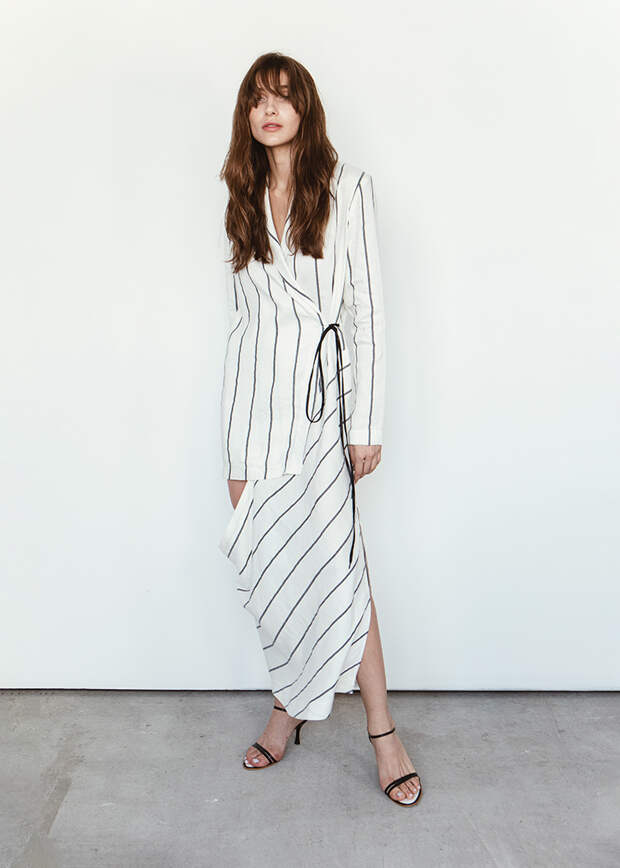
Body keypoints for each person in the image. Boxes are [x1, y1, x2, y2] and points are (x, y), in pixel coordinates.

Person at [217, 52, 421, 806]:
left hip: (320, 408)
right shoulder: (242, 192)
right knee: (270, 565)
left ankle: (382, 731)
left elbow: (367, 313)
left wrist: (364, 422)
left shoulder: (347, 188)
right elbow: (245, 315)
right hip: (251, 405)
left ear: (305, 107)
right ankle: (289, 706)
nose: (269, 110)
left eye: (282, 96)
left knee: (340, 568)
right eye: (257, 99)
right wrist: (235, 426)